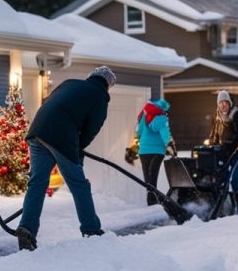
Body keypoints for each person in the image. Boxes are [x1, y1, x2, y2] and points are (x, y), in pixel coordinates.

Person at [15, 66, 116, 251]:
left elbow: (50, 104)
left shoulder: (69, 84)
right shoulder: (99, 97)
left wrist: (75, 147)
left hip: (37, 131)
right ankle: (91, 229)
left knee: (37, 183)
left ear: (90, 76)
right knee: (79, 184)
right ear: (108, 84)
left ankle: (26, 228)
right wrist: (78, 149)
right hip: (60, 137)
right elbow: (92, 128)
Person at [207, 90, 238, 192]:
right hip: (223, 151)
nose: (223, 105)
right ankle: (222, 199)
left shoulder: (236, 114)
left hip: (236, 150)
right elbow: (214, 134)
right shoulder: (217, 117)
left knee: (235, 178)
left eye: (225, 103)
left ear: (229, 103)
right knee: (221, 177)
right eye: (221, 103)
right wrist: (212, 144)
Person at [136, 98, 175, 206]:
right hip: (157, 151)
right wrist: (169, 145)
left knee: (148, 180)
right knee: (153, 178)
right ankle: (153, 204)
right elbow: (165, 132)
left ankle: (151, 202)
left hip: (143, 151)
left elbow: (138, 131)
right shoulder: (162, 118)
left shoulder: (144, 115)